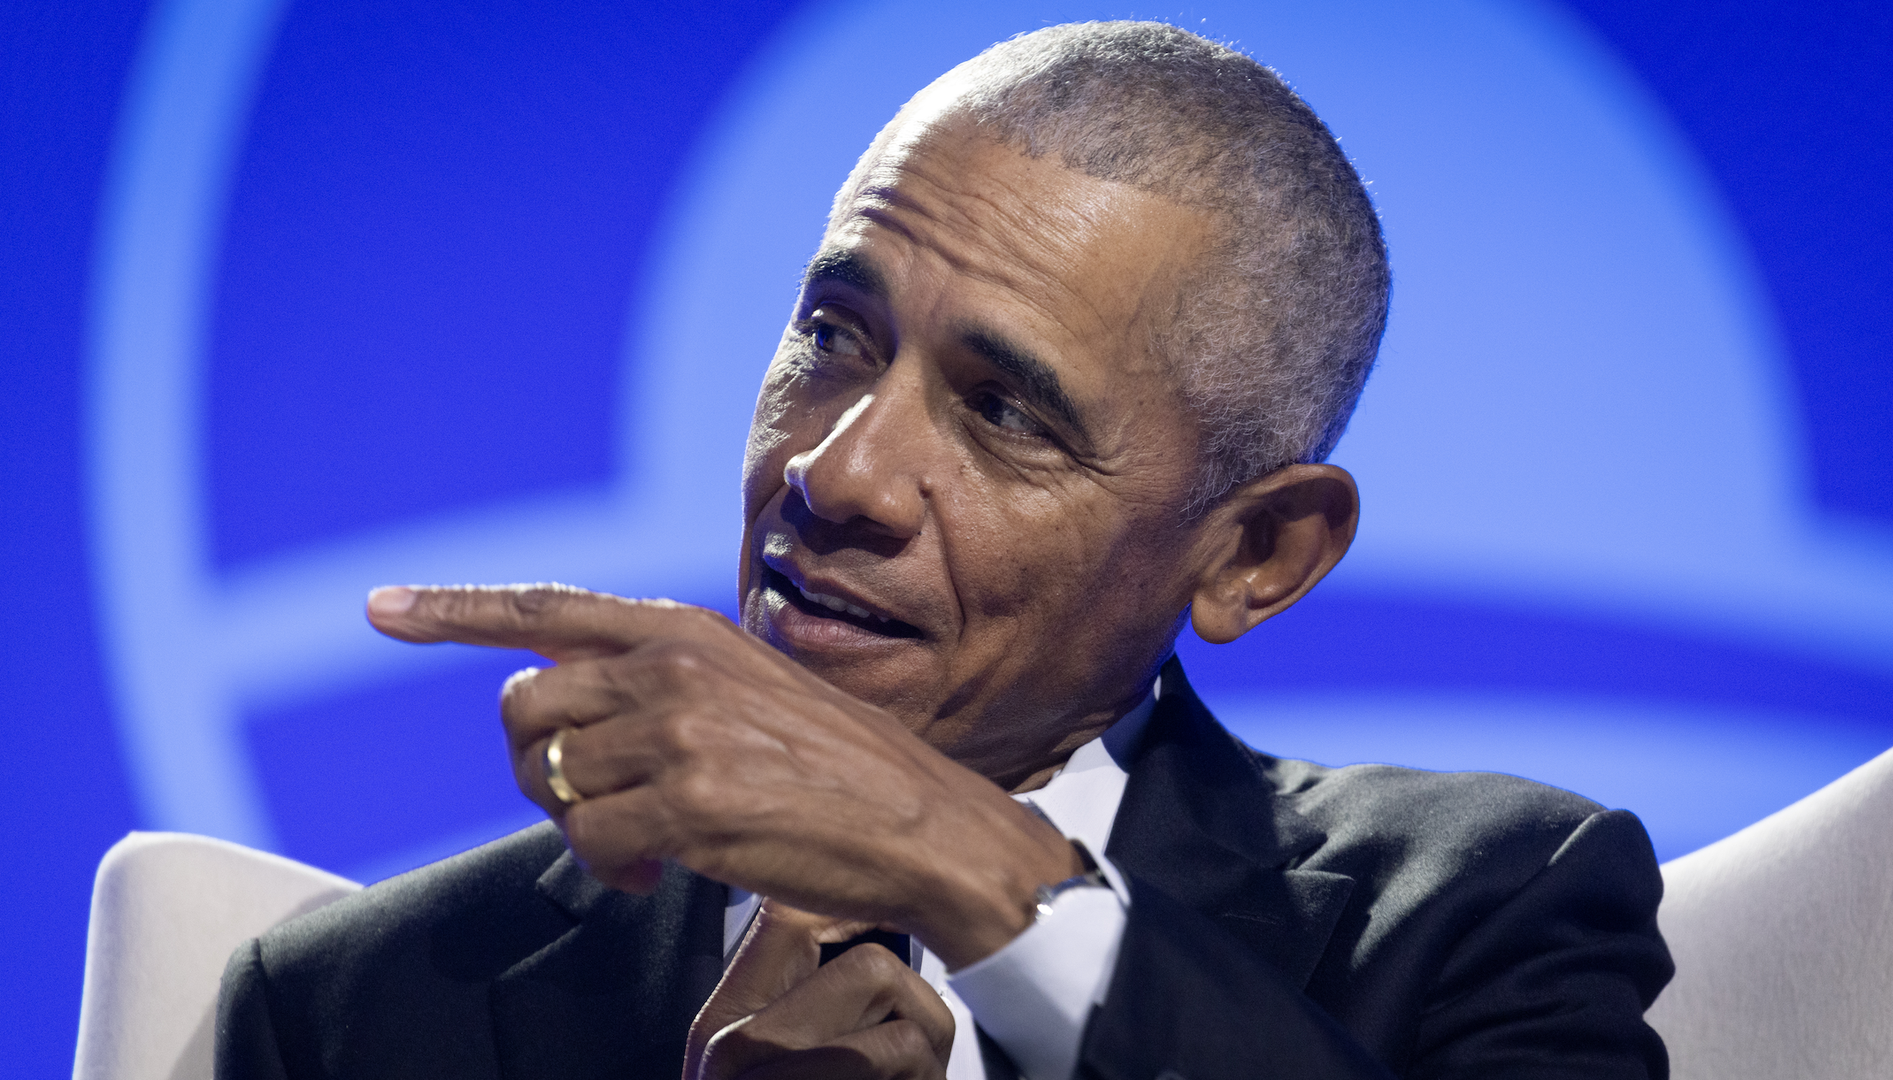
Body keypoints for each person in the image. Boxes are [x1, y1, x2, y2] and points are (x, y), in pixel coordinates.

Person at [216, 20, 1672, 1080]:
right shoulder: (355, 1008)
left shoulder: (1488, 910)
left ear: (1256, 554)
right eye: (832, 338)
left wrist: (971, 871)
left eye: (1005, 413)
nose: (833, 472)